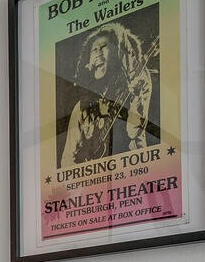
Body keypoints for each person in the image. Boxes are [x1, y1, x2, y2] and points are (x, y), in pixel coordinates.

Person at [59, 22, 154, 166]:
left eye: (104, 47)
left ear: (117, 54)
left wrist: (136, 97)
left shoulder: (136, 82)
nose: (98, 53)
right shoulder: (81, 107)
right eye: (94, 50)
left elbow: (134, 132)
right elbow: (67, 158)